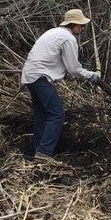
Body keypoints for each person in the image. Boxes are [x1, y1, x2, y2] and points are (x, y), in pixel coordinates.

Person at [21, 9, 100, 160]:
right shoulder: (68, 39)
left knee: (41, 115)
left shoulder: (53, 32)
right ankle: (44, 152)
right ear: (73, 25)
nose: (82, 28)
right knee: (57, 114)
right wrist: (90, 76)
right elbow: (73, 68)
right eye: (81, 25)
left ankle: (37, 150)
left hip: (29, 75)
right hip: (40, 76)